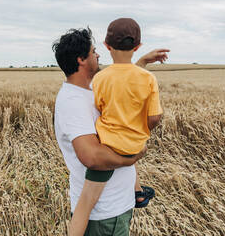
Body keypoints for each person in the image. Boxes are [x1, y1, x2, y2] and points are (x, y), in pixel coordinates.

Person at [53, 27, 168, 235]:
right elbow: (93, 157)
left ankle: (137, 192)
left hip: (116, 206)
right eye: (93, 51)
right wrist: (131, 158)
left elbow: (122, 82)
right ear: (81, 60)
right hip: (104, 216)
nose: (98, 55)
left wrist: (140, 63)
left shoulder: (90, 89)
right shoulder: (73, 102)